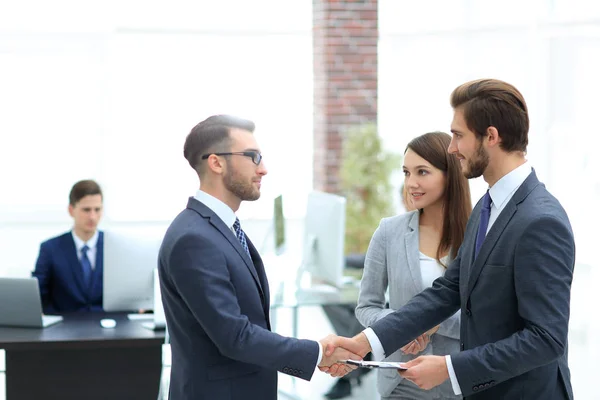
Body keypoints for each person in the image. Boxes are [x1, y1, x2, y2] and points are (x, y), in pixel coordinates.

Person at [335, 79, 576, 399]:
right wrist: (365, 343)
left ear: (491, 136)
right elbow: (448, 290)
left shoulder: (541, 220)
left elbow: (546, 339)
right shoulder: (487, 208)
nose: (452, 148)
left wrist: (450, 368)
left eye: (458, 135)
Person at [157, 115, 361, 400]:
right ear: (216, 163)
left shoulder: (220, 228)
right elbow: (235, 336)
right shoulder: (194, 238)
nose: (263, 169)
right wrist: (316, 353)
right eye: (252, 157)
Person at [356, 131, 471, 399]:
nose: (411, 183)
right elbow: (366, 307)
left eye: (422, 172)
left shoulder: (478, 235)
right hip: (401, 379)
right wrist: (404, 324)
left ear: (449, 174)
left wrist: (433, 323)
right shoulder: (388, 232)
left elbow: (487, 319)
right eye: (406, 172)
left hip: (458, 380)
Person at [321, 183, 419, 399]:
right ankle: (357, 360)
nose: (407, 202)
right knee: (329, 300)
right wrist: (339, 261)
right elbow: (373, 260)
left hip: (401, 309)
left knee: (360, 320)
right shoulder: (395, 229)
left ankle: (352, 367)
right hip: (383, 305)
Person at [32, 179, 104, 313]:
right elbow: (37, 295)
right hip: (64, 327)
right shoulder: (50, 249)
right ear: (71, 210)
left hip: (109, 326)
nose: (92, 216)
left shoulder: (114, 247)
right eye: (86, 210)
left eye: (97, 209)